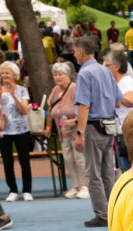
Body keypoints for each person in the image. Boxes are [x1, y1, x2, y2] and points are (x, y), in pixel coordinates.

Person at [72, 37, 120, 226]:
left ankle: (102, 214)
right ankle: (114, 211)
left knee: (93, 173)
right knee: (107, 171)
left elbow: (84, 106)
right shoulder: (105, 71)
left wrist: (80, 133)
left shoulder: (84, 74)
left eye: (75, 51)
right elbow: (118, 99)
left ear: (81, 52)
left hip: (93, 126)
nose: (74, 54)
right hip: (109, 125)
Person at [0, 61, 34, 202]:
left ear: (14, 75)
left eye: (7, 73)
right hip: (4, 130)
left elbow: (24, 111)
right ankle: (13, 190)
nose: (4, 76)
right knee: (7, 161)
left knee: (24, 160)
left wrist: (13, 95)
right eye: (2, 73)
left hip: (21, 129)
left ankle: (27, 190)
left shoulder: (22, 90)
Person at [45, 60, 85, 198]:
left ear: (67, 75)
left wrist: (75, 120)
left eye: (60, 74)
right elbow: (50, 108)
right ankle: (76, 185)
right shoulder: (55, 90)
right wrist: (48, 126)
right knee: (68, 158)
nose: (57, 77)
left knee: (79, 157)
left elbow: (84, 108)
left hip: (76, 130)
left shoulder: (75, 88)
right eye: (55, 75)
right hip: (63, 131)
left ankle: (85, 186)